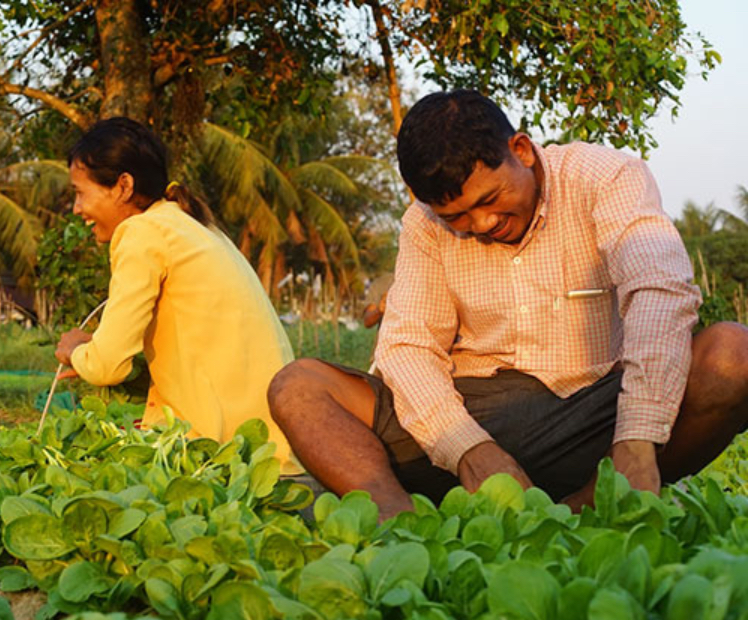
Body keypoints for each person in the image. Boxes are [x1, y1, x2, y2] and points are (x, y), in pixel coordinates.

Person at [268, 89, 748, 518]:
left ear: (521, 151)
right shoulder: (423, 223)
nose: (481, 223)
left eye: (491, 198)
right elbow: (409, 346)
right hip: (469, 407)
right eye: (457, 216)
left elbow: (658, 291)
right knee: (298, 386)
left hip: (593, 411)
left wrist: (638, 436)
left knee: (732, 353)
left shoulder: (606, 177)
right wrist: (469, 447)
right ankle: (397, 521)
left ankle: (589, 505)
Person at [54, 117, 300, 473]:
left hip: (217, 453)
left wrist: (75, 350)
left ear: (122, 186)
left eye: (80, 192)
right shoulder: (193, 224)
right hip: (268, 450)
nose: (77, 208)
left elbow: (107, 366)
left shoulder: (141, 232)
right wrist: (94, 351)